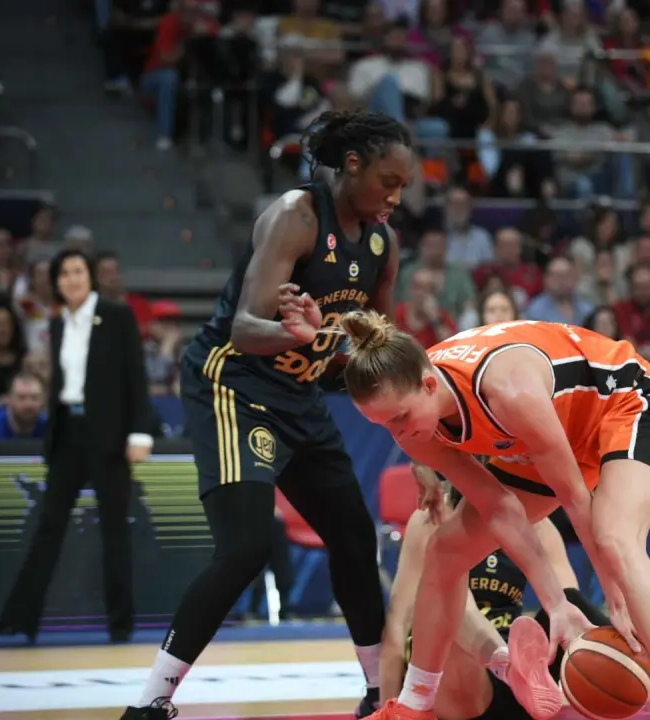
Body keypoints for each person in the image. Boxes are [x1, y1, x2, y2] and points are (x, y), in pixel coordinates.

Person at [120, 110, 415, 720]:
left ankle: (378, 694)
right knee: (246, 547)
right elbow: (246, 329)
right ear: (352, 165)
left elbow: (373, 352)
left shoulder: (382, 244)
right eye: (388, 181)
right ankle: (150, 703)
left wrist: (348, 359)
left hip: (300, 394)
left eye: (404, 186)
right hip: (235, 384)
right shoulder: (296, 217)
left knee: (354, 539)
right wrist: (300, 334)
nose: (396, 196)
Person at [340, 314, 650, 720]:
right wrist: (555, 604)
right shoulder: (414, 419)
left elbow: (575, 497)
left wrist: (614, 594)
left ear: (429, 385)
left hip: (624, 401)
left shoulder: (507, 390)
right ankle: (415, 705)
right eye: (381, 424)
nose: (396, 433)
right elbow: (499, 508)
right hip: (549, 431)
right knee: (445, 550)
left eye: (399, 418)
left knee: (615, 539)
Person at [0, 249, 155, 644]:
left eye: (78, 271)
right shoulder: (58, 323)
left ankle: (120, 624)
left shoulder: (117, 315)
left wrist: (140, 433)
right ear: (57, 282)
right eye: (64, 273)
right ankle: (18, 620)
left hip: (109, 437)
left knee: (115, 530)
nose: (71, 279)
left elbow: (135, 375)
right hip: (67, 434)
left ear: (90, 276)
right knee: (48, 527)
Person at [381, 477, 608, 720]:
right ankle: (508, 667)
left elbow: (570, 609)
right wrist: (385, 703)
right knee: (450, 607)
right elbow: (398, 625)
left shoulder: (539, 526)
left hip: (518, 689)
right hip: (461, 685)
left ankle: (631, 670)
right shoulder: (433, 517)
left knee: (572, 604)